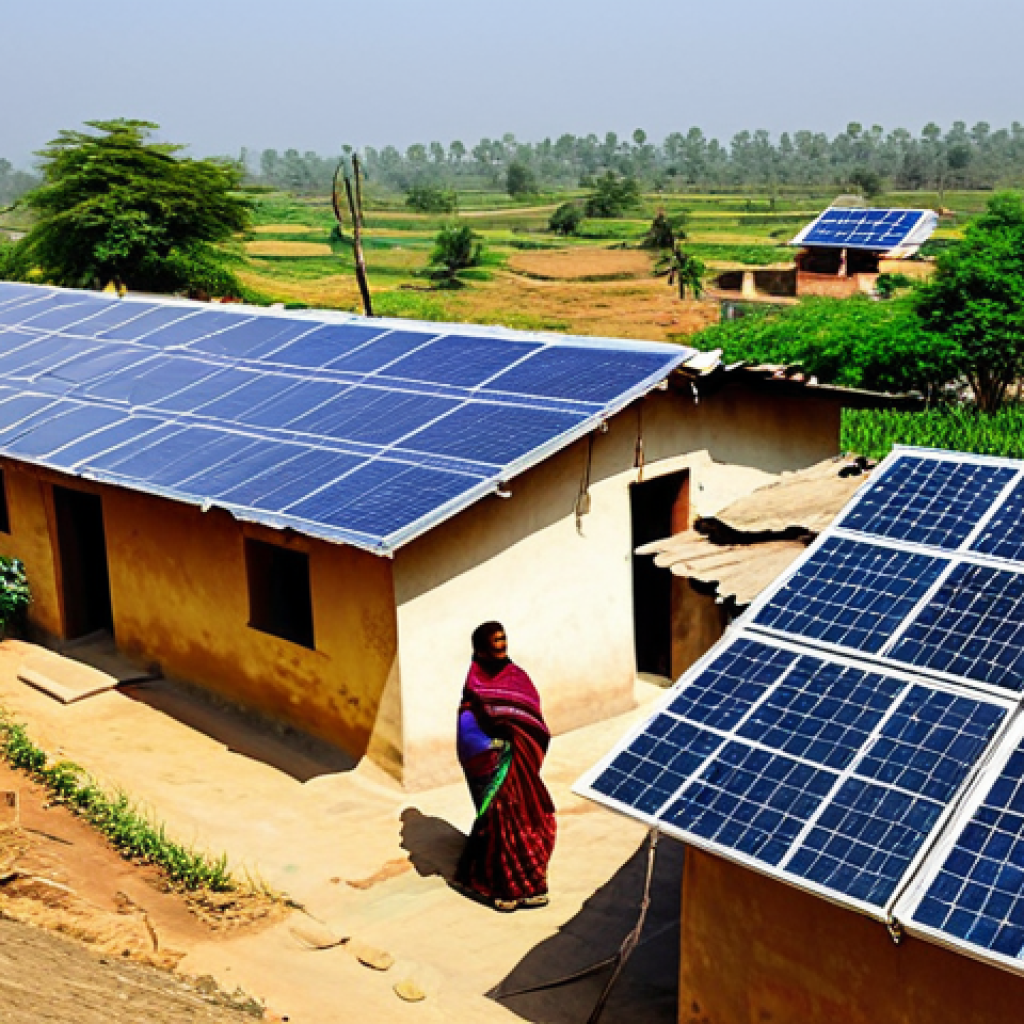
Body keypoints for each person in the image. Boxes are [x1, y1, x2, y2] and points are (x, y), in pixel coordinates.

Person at [455, 621, 557, 912]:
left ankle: (534, 885)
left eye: (503, 639)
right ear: (482, 646)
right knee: (502, 823)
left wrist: (523, 738)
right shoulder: (475, 681)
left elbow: (532, 714)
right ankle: (506, 890)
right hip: (497, 762)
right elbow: (467, 724)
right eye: (495, 640)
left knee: (533, 817)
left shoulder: (517, 676)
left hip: (521, 760)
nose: (501, 645)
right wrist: (491, 747)